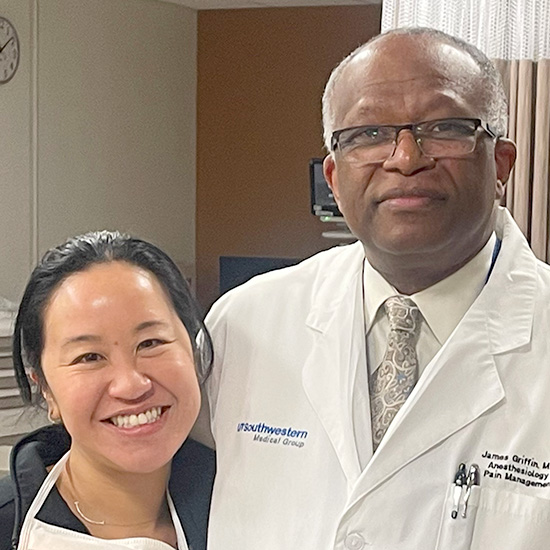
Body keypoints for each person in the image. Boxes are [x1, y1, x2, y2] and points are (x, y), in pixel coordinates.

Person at [202, 28, 550, 549]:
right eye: (367, 134)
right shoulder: (245, 322)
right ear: (335, 178)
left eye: (444, 127)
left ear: (500, 163)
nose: (406, 157)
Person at [0, 231, 215, 550]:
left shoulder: (251, 498)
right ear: (45, 389)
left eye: (151, 343)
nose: (131, 385)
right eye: (89, 357)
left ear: (194, 352)